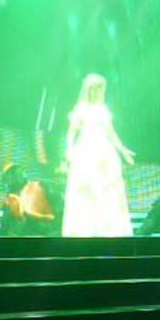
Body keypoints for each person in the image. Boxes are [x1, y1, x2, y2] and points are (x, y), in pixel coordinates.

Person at [61, 73, 134, 237]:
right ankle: (85, 229)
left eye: (101, 89)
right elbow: (71, 133)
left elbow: (111, 133)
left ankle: (107, 228)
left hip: (105, 153)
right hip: (85, 152)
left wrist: (123, 150)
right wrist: (69, 150)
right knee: (86, 189)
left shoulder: (102, 109)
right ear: (89, 90)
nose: (98, 92)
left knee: (107, 190)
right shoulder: (81, 109)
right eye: (96, 89)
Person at [0, 162, 56, 236]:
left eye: (17, 174)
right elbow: (5, 223)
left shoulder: (37, 189)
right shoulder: (10, 200)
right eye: (10, 178)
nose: (13, 179)